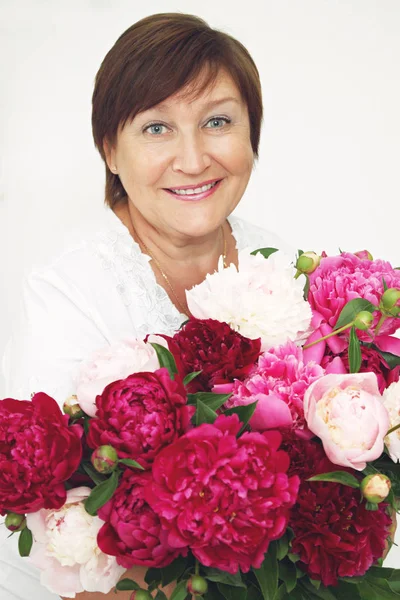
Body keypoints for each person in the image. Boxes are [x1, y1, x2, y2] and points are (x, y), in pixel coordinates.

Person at [0, 12, 292, 600]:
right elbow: (57, 521)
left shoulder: (283, 268)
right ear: (110, 150)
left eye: (217, 122)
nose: (192, 159)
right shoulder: (69, 287)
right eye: (157, 129)